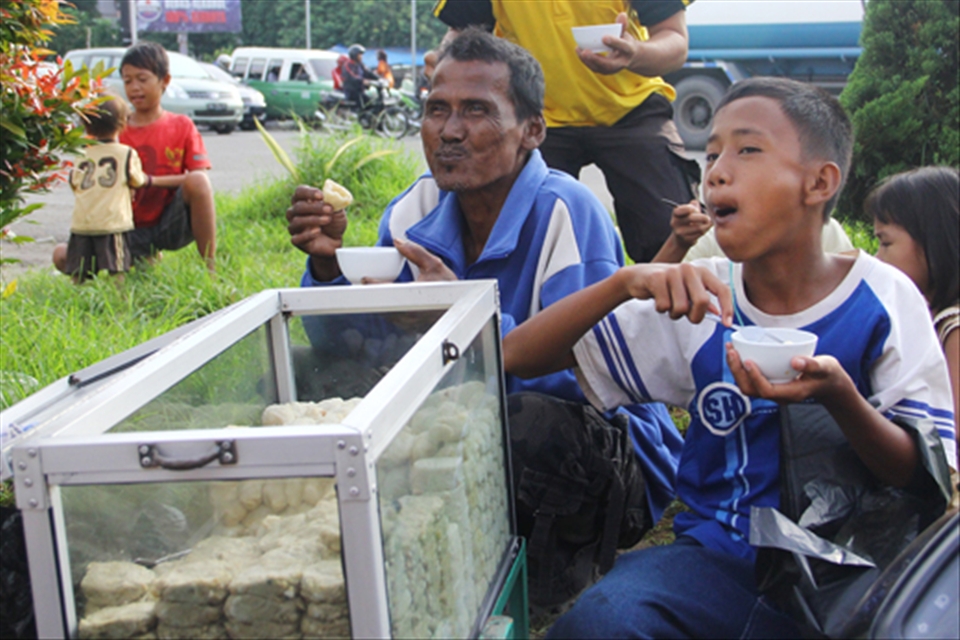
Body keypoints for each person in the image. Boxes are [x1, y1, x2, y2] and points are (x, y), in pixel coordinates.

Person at [502, 77, 955, 638]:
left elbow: (920, 474)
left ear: (819, 182)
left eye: (748, 149)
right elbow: (518, 356)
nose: (716, 171)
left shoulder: (882, 298)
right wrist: (622, 283)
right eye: (712, 153)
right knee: (601, 621)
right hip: (715, 556)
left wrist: (839, 397)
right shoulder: (704, 296)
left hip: (852, 567)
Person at [286, 26, 682, 583]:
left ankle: (547, 572)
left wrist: (456, 320)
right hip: (459, 423)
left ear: (532, 130)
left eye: (476, 110)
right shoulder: (412, 211)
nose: (449, 131)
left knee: (528, 424)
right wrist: (329, 269)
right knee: (304, 373)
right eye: (436, 109)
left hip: (603, 453)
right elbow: (356, 347)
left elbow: (592, 379)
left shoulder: (567, 212)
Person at [431, 0, 701, 264]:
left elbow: (674, 40)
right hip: (538, 117)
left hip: (631, 108)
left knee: (672, 229)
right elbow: (461, 31)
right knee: (519, 239)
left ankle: (672, 291)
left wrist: (635, 53)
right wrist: (443, 59)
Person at [52, 42, 217, 273]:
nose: (135, 88)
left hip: (168, 223)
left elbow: (198, 176)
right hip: (121, 229)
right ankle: (140, 257)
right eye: (128, 81)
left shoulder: (182, 125)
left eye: (142, 79)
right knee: (61, 256)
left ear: (164, 80)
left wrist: (148, 181)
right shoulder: (111, 130)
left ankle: (211, 269)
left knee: (199, 181)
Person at [867, 166, 959, 465]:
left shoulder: (953, 328)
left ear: (935, 241)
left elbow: (951, 432)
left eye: (886, 243)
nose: (877, 258)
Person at [64, 95, 148, 282]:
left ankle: (76, 295)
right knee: (117, 266)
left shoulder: (81, 154)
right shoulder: (126, 153)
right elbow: (137, 180)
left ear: (86, 126)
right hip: (112, 221)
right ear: (122, 123)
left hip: (82, 222)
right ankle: (120, 297)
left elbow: (74, 183)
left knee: (79, 269)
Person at [652, 199, 854, 263]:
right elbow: (640, 306)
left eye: (748, 152)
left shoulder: (823, 232)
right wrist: (678, 244)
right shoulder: (711, 239)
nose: (719, 172)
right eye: (713, 157)